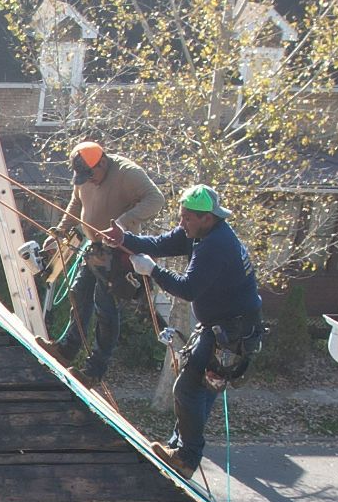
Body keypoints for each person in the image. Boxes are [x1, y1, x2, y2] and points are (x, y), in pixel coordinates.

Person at [103, 184, 264, 475]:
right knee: (200, 390)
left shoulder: (216, 245)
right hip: (222, 327)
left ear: (207, 218)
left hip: (232, 331)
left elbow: (187, 289)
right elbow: (162, 243)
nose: (182, 223)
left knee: (187, 388)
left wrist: (152, 271)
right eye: (181, 216)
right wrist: (125, 239)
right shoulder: (199, 233)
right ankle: (180, 447)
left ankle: (187, 458)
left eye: (187, 218)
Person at [47, 139, 162, 284]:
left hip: (119, 251)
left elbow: (156, 199)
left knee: (105, 302)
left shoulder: (127, 172)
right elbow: (76, 202)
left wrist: (122, 223)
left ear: (102, 163)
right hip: (94, 250)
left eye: (90, 175)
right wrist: (60, 230)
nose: (88, 181)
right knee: (79, 293)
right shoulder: (85, 176)